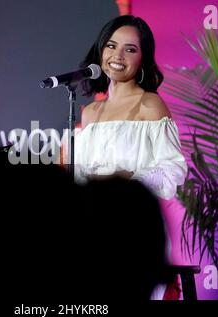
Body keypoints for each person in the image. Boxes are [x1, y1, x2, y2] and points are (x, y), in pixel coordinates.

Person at [72, 15, 188, 299]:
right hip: (93, 234)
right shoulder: (89, 113)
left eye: (130, 49)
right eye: (111, 46)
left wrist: (127, 178)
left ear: (143, 58)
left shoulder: (150, 104)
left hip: (137, 231)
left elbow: (174, 171)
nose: (117, 56)